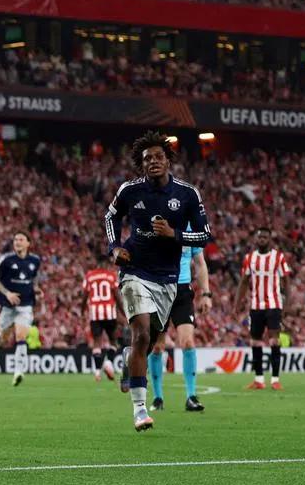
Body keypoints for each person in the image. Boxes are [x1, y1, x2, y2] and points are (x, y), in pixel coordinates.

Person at [105, 131, 212, 431]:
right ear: (142, 165)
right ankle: (140, 409)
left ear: (168, 160)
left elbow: (205, 235)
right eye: (147, 159)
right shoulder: (130, 190)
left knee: (150, 340)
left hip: (169, 280)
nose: (153, 161)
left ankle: (131, 359)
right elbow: (110, 216)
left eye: (158, 157)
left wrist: (174, 235)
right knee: (141, 335)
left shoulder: (188, 194)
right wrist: (114, 248)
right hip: (135, 270)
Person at [148, 227, 210, 412]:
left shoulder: (190, 228)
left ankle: (191, 397)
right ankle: (157, 398)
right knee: (157, 346)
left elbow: (200, 263)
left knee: (188, 343)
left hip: (183, 291)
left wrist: (206, 293)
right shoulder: (157, 223)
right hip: (160, 289)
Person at [234, 227, 291, 391]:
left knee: (274, 340)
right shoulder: (250, 258)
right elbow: (244, 282)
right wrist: (237, 303)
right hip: (255, 306)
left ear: (270, 239)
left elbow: (286, 282)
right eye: (260, 237)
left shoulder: (278, 257)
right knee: (255, 341)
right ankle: (259, 379)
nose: (262, 240)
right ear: (256, 239)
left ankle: (275, 379)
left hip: (274, 305)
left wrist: (286, 306)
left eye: (265, 237)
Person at [0, 232, 41, 386]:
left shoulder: (35, 261)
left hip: (25, 306)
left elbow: (34, 278)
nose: (17, 242)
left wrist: (37, 289)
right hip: (7, 306)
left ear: (28, 243)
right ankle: (0, 335)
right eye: (16, 239)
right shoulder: (6, 260)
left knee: (20, 336)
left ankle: (18, 372)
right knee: (4, 339)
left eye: (21, 239)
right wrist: (7, 293)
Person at [83, 256, 120, 382]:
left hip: (95, 314)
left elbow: (84, 296)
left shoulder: (89, 276)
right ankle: (108, 362)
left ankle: (97, 372)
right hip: (109, 313)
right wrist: (124, 311)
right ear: (106, 264)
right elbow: (117, 296)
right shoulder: (111, 276)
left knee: (97, 343)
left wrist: (83, 311)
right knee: (114, 341)